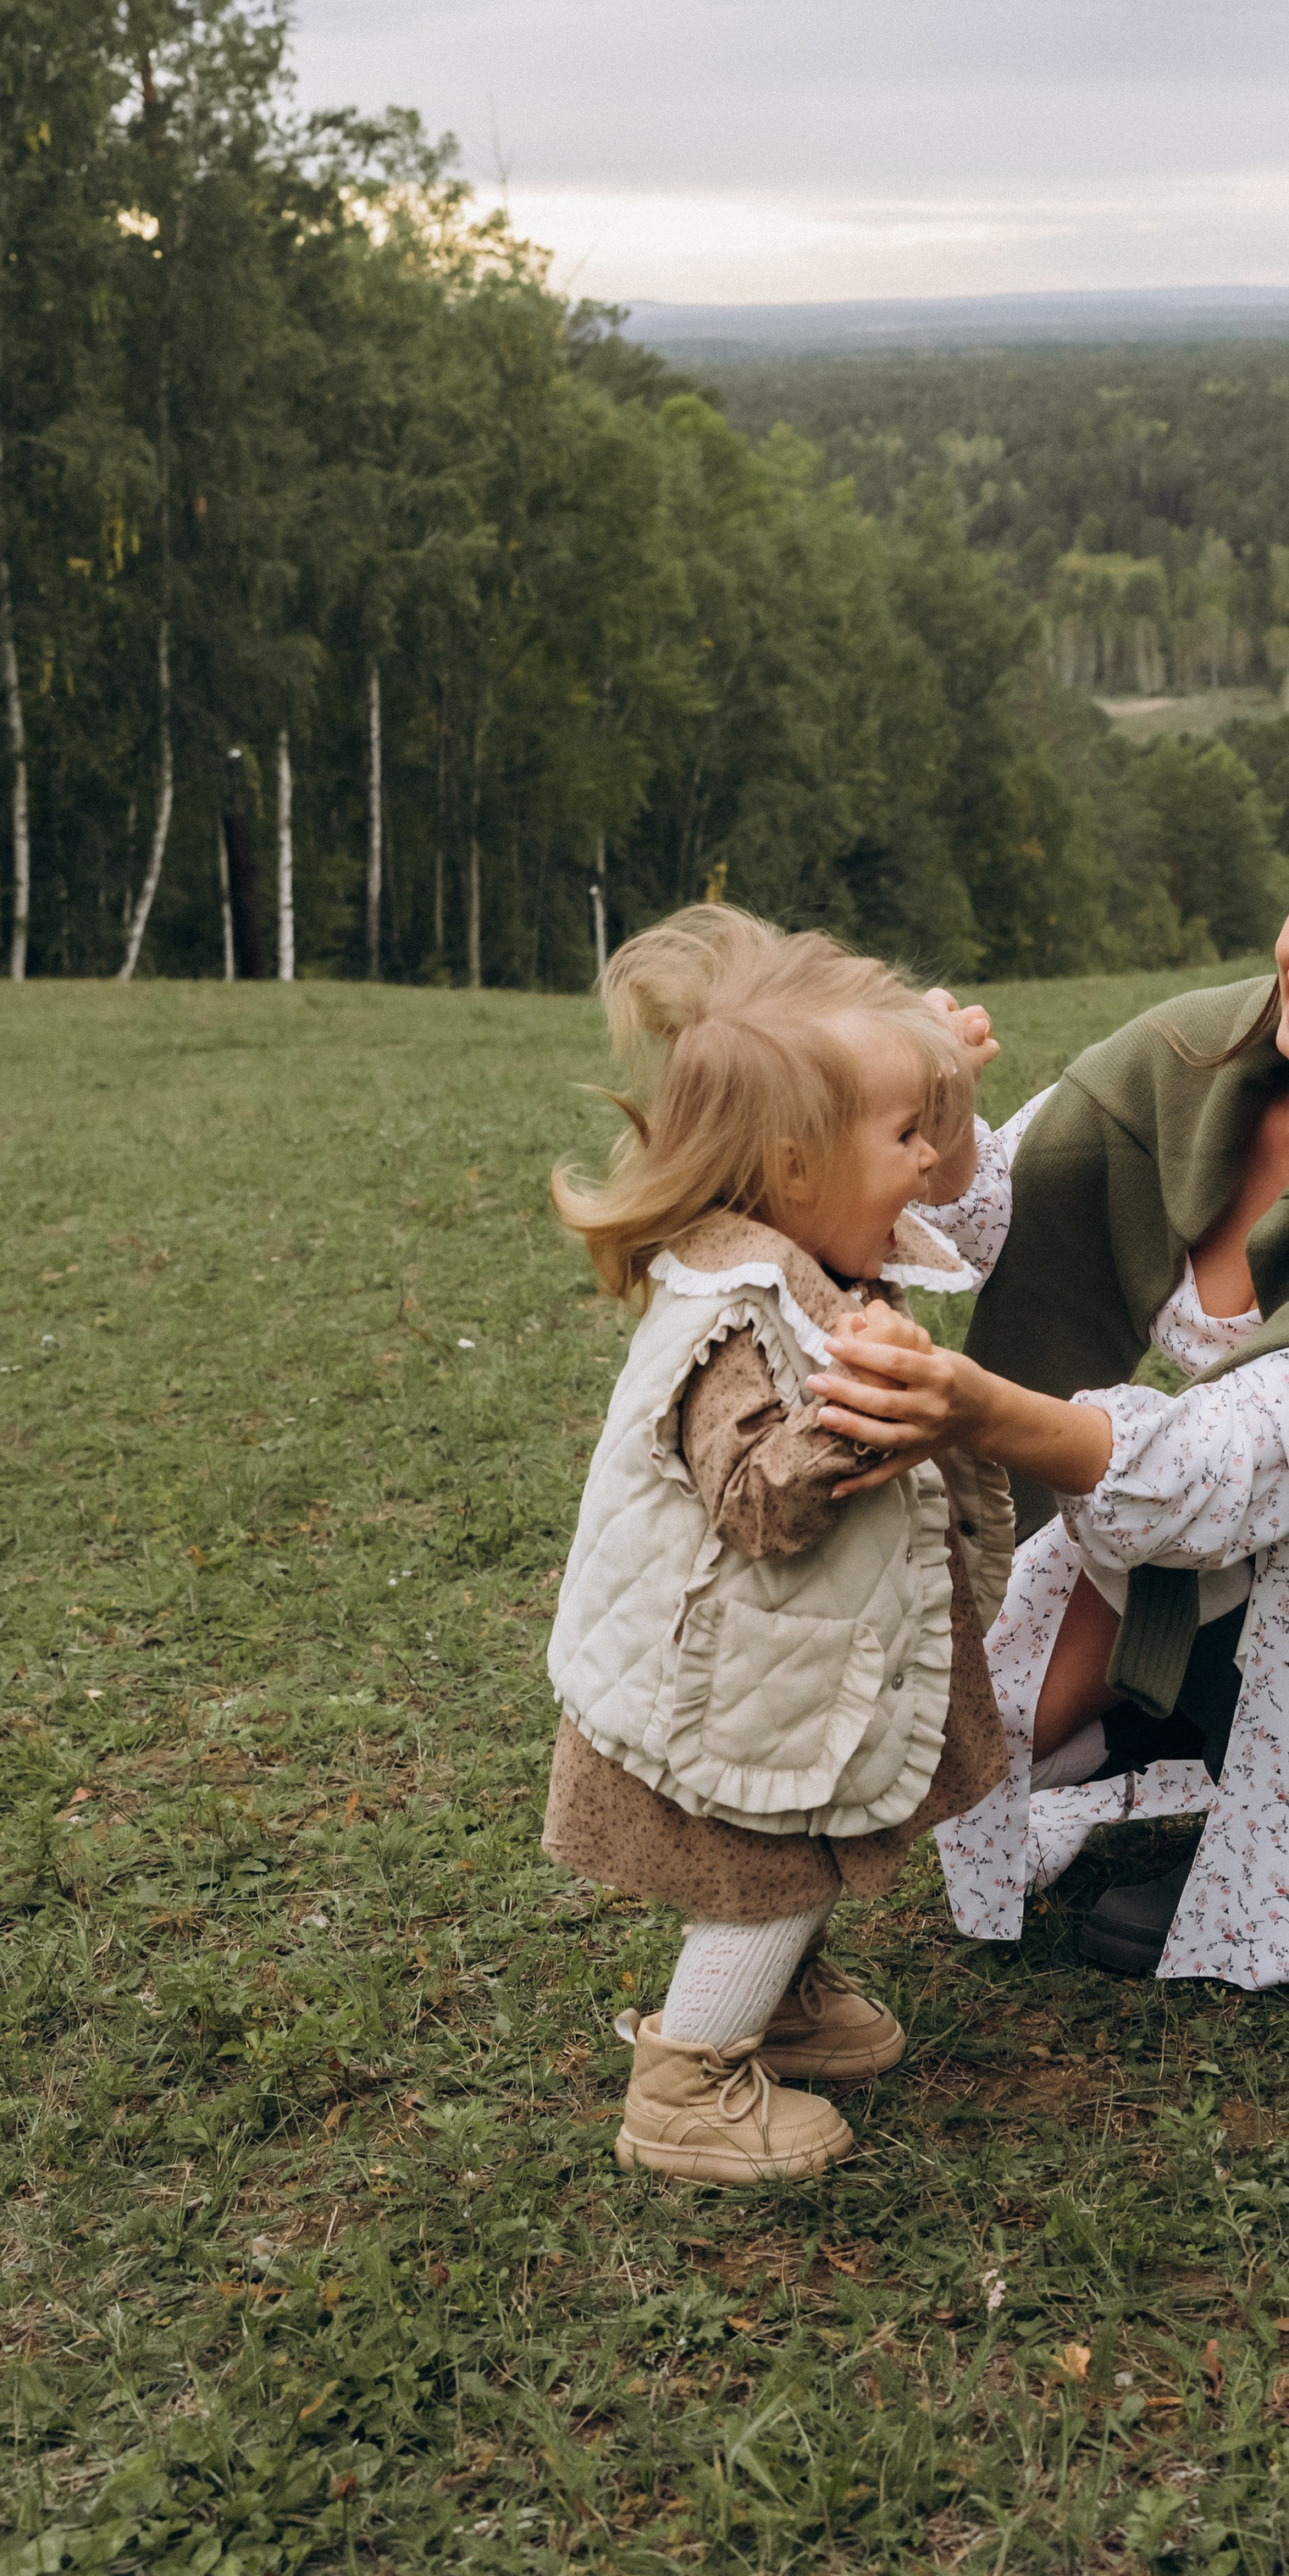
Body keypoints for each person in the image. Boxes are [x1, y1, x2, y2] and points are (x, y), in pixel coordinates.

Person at [806, 783, 1289, 1991]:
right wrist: (949, 1125)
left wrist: (972, 1409)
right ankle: (1189, 1715)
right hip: (1215, 1494)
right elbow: (1013, 1208)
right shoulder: (1196, 1057)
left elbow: (1234, 1471)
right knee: (994, 1733)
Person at [540, 909, 1011, 2183]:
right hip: (734, 1689)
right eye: (902, 1137)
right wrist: (870, 1421)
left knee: (811, 1834)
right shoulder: (733, 1308)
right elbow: (752, 1495)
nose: (927, 1165)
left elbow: (952, 1191)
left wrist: (940, 1086)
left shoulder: (812, 1245)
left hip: (791, 1667)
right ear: (797, 1169)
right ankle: (688, 2079)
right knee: (774, 1867)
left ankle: (785, 2012)